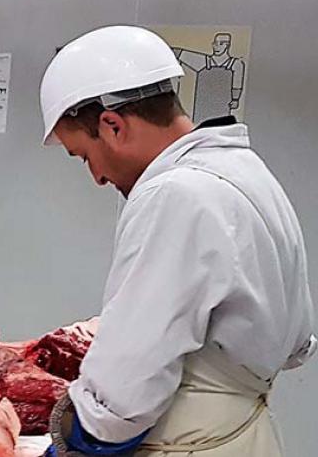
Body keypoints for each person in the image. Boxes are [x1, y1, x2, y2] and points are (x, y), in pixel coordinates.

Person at [39, 25, 315, 456]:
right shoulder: (244, 170)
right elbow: (301, 343)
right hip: (243, 433)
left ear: (112, 126)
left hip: (191, 446)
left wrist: (74, 442)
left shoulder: (174, 194)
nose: (96, 177)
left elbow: (124, 392)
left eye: (84, 156)